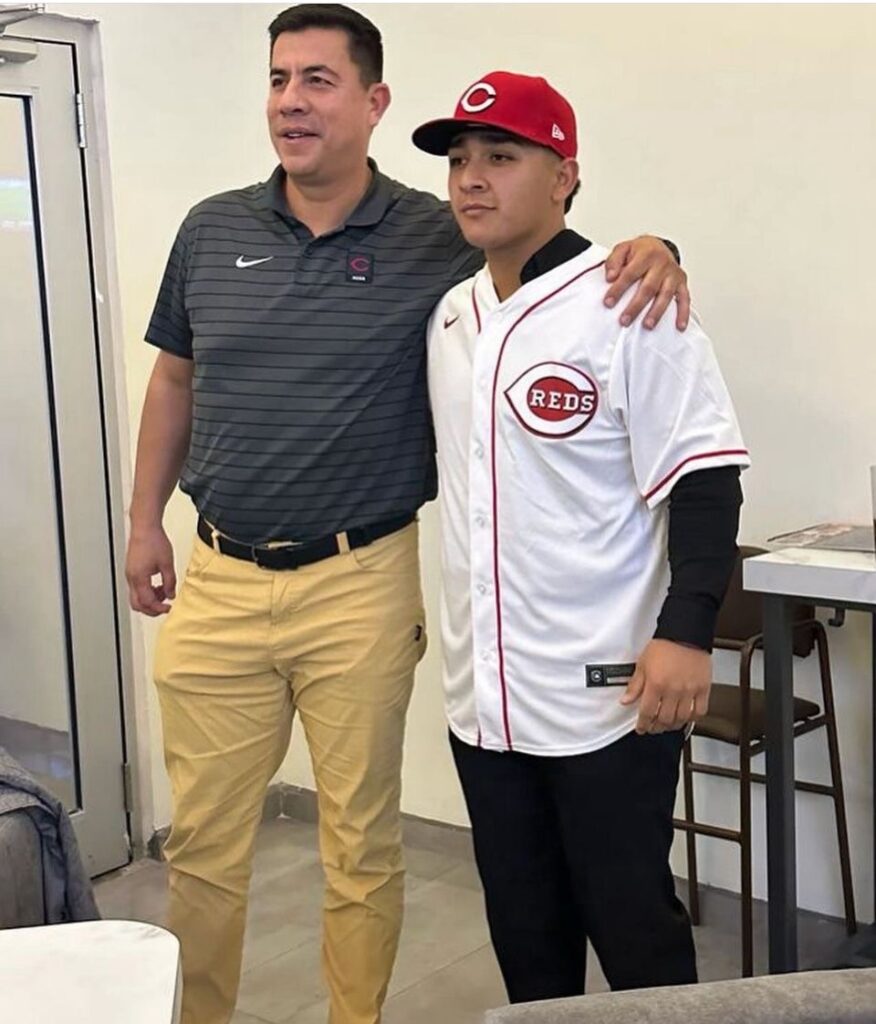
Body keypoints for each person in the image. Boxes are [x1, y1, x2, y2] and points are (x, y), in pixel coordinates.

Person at [125, 6, 692, 1024]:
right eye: (278, 79)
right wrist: (141, 520)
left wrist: (658, 246)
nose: (291, 102)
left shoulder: (440, 235)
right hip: (217, 578)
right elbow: (175, 376)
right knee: (201, 849)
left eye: (318, 80)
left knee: (359, 844)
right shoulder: (211, 228)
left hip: (360, 578)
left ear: (373, 101)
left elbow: (555, 254)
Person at [414, 71, 750, 1004]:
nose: (472, 177)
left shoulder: (631, 303)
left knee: (633, 925)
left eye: (501, 156)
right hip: (483, 695)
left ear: (565, 175)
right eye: (459, 159)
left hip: (609, 692)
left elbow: (706, 481)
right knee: (525, 931)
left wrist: (688, 633)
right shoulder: (450, 314)